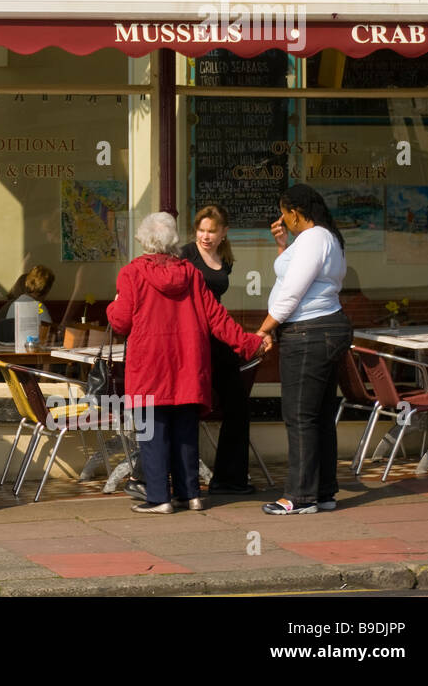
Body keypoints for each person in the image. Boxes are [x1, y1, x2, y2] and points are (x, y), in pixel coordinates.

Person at [106, 213, 266, 514]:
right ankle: (190, 494)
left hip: (150, 365)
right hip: (187, 365)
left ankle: (158, 498)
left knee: (153, 433)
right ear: (173, 242)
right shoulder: (191, 274)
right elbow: (217, 319)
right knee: (185, 432)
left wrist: (112, 306)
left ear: (144, 241)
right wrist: (249, 343)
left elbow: (121, 322)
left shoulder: (132, 273)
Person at [256, 184, 350, 516]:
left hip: (309, 333)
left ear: (296, 212)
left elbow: (292, 292)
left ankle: (299, 496)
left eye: (284, 213)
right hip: (324, 329)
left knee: (299, 416)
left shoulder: (313, 239)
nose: (282, 219)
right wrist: (283, 245)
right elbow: (291, 278)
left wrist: (265, 328)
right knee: (319, 415)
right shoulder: (326, 238)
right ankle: (323, 492)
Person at [178, 205, 256, 495]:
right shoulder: (185, 254)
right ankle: (171, 479)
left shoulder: (225, 259)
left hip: (218, 337)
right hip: (192, 339)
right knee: (185, 406)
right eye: (201, 229)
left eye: (212, 230)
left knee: (237, 405)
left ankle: (229, 479)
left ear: (224, 232)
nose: (205, 236)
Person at [0, 265, 55, 346]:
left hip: (12, 351)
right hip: (31, 352)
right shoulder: (39, 307)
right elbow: (49, 336)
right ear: (47, 288)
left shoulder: (14, 304)